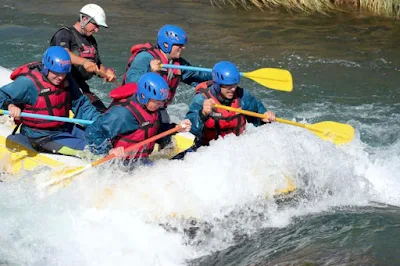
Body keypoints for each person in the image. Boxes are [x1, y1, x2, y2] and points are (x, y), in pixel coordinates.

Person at [0, 46, 101, 156]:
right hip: (42, 136)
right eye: (56, 73)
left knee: (102, 140)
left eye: (64, 73)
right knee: (92, 151)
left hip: (66, 128)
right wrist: (9, 105)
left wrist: (101, 123)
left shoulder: (66, 79)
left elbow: (81, 105)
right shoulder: (27, 83)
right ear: (46, 68)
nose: (60, 77)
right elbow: (2, 94)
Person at [85, 72, 191, 164]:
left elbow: (157, 130)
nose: (161, 105)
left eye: (162, 101)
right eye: (157, 102)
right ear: (144, 97)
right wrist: (109, 150)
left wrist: (176, 128)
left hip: (140, 162)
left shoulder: (153, 110)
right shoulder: (122, 114)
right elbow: (92, 132)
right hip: (117, 164)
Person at [120, 24, 211, 123]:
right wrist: (150, 71)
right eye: (179, 45)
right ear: (166, 44)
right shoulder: (145, 57)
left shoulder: (177, 63)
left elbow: (198, 75)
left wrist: (220, 74)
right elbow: (131, 81)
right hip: (134, 107)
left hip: (157, 108)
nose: (183, 48)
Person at [185, 60, 276, 149]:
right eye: (228, 86)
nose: (233, 89)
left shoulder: (243, 97)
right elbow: (189, 130)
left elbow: (260, 122)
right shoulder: (201, 100)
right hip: (208, 149)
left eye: (234, 84)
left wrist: (266, 118)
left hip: (236, 149)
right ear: (217, 84)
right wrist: (203, 114)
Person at [49, 3, 116, 113]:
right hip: (62, 85)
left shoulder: (91, 41)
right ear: (84, 19)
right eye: (95, 25)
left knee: (104, 113)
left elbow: (98, 65)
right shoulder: (64, 34)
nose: (96, 30)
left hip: (80, 86)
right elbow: (63, 55)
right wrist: (84, 62)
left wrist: (106, 73)